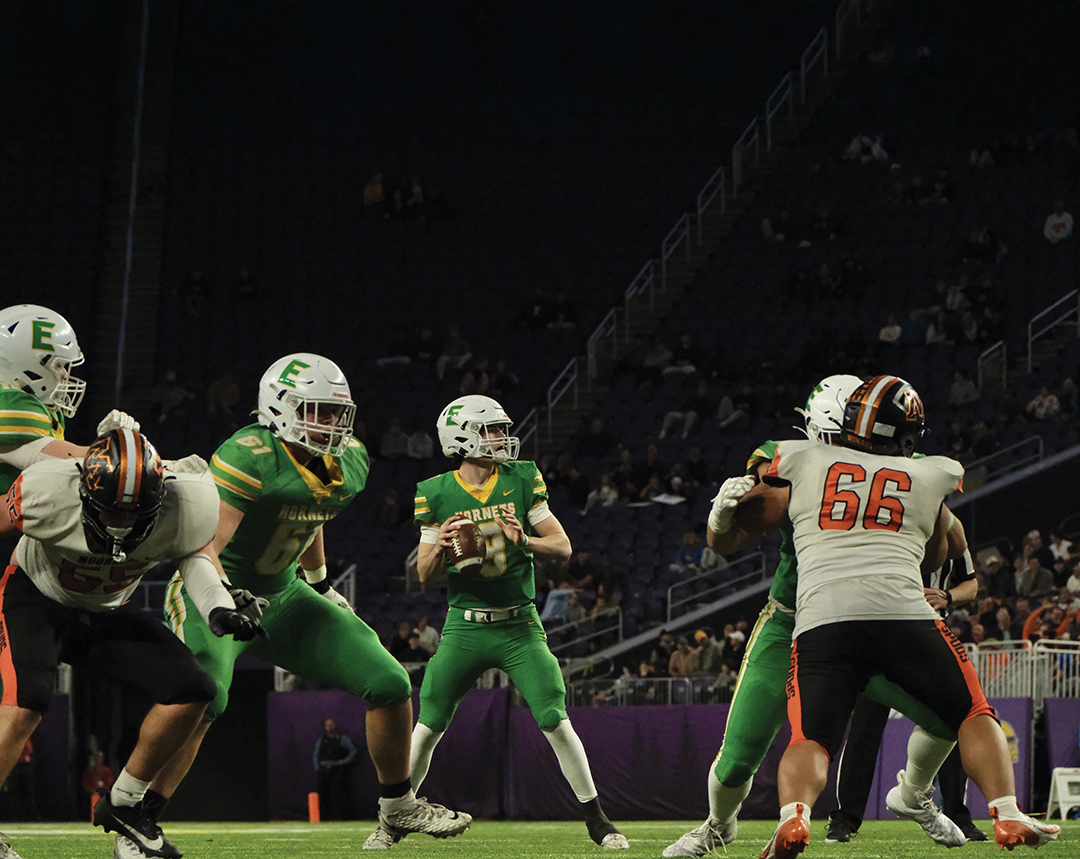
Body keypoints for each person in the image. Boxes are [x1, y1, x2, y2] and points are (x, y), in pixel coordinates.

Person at [119, 356, 471, 859]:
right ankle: (139, 821)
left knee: (390, 683)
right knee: (204, 700)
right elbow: (206, 548)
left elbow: (310, 516)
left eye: (334, 413)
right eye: (316, 411)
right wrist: (220, 601)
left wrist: (321, 584)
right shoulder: (249, 454)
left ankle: (398, 805)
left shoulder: (349, 460)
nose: (329, 424)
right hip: (215, 591)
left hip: (283, 593)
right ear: (279, 408)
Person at [717, 375, 1058, 856]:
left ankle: (796, 816)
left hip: (822, 619)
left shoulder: (801, 458)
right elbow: (940, 552)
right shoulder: (929, 472)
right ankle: (1005, 810)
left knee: (810, 736)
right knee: (973, 712)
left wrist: (721, 515)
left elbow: (743, 524)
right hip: (902, 614)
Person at [663, 376, 973, 858]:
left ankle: (913, 794)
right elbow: (726, 541)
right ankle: (718, 826)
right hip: (793, 623)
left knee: (955, 718)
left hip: (870, 622)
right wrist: (720, 518)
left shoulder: (905, 468)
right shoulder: (795, 461)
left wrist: (940, 524)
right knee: (737, 759)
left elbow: (943, 544)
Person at [364, 394, 627, 850]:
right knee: (428, 725)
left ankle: (598, 821)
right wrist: (442, 545)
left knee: (555, 718)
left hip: (519, 625)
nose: (502, 438)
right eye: (491, 430)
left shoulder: (523, 477)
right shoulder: (435, 491)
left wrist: (522, 539)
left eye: (501, 429)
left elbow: (562, 547)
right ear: (462, 437)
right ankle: (391, 821)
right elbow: (423, 576)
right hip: (465, 625)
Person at [0, 429, 264, 859]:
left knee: (194, 691)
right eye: (111, 512)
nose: (121, 524)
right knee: (26, 700)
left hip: (107, 609)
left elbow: (194, 556)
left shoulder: (188, 501)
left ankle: (124, 803)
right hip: (36, 597)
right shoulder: (46, 490)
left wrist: (218, 607)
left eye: (134, 513)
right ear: (82, 489)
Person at [826, 521, 988, 843]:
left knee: (954, 723)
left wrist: (947, 595)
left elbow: (970, 583)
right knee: (865, 729)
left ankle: (958, 814)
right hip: (883, 639)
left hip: (930, 643)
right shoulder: (889, 522)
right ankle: (845, 818)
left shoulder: (948, 526)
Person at [314, 718, 358, 821]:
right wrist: (318, 768)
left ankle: (342, 817)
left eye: (331, 725)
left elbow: (353, 750)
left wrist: (345, 761)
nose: (329, 727)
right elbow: (316, 755)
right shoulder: (322, 740)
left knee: (339, 794)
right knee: (324, 795)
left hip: (337, 770)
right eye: (327, 725)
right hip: (324, 770)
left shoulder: (342, 739)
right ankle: (324, 817)